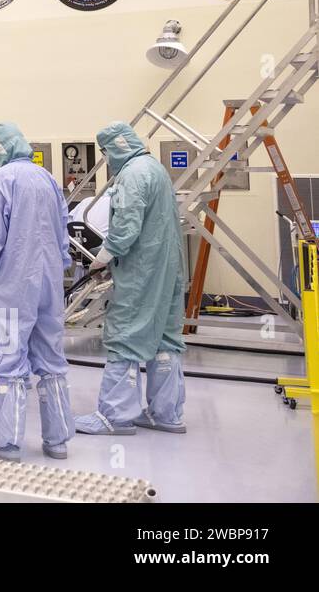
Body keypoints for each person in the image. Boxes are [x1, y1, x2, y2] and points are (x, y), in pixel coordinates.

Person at [75, 122, 188, 436]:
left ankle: (116, 415)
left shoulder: (132, 175)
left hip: (142, 272)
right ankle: (165, 413)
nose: (106, 158)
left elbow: (126, 225)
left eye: (105, 152)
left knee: (125, 335)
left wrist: (104, 257)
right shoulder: (155, 168)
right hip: (167, 270)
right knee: (165, 339)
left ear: (114, 148)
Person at [0, 122, 75, 461]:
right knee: (51, 359)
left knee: (10, 362)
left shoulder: (3, 179)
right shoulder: (47, 178)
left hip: (14, 285)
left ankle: (8, 444)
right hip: (49, 282)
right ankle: (57, 441)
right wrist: (60, 265)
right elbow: (63, 229)